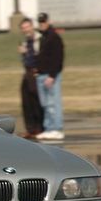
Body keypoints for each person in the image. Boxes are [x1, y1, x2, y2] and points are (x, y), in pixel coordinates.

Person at [35, 12, 65, 141]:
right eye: (40, 22)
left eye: (43, 22)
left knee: (53, 103)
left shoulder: (54, 37)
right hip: (41, 75)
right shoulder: (42, 37)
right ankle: (48, 128)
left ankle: (57, 129)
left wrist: (52, 75)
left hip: (50, 75)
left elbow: (58, 58)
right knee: (46, 104)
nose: (42, 24)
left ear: (48, 22)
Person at [18, 17, 44, 139]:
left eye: (27, 27)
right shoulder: (25, 42)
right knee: (26, 101)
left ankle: (39, 128)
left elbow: (42, 56)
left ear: (32, 26)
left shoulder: (40, 39)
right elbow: (26, 60)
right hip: (27, 73)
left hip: (37, 73)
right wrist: (23, 53)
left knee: (36, 102)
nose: (26, 30)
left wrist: (39, 70)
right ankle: (30, 129)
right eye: (23, 28)